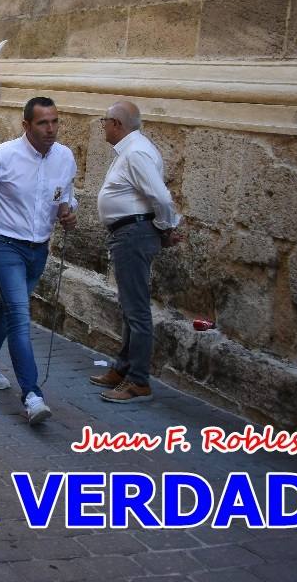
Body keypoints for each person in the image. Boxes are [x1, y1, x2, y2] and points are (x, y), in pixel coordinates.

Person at [0, 96, 78, 426]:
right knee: (20, 316)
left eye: (55, 121)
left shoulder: (65, 157)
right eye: (43, 123)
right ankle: (31, 394)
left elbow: (67, 197)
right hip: (3, 244)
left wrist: (68, 214)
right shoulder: (3, 156)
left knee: (11, 307)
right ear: (26, 125)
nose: (51, 129)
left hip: (37, 249)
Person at [91, 100, 184, 404]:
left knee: (137, 309)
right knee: (130, 307)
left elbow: (160, 195)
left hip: (133, 234)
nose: (102, 125)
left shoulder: (136, 152)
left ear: (117, 124)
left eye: (105, 120)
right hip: (130, 233)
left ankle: (138, 381)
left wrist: (167, 226)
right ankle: (123, 368)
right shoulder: (131, 150)